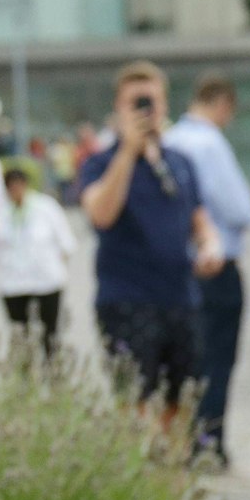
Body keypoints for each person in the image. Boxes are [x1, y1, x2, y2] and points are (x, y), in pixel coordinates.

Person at [76, 61, 225, 427]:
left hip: (180, 298)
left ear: (165, 106)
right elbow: (100, 214)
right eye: (136, 103)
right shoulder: (100, 163)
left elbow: (199, 220)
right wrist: (128, 151)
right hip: (127, 300)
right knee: (135, 404)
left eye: (151, 102)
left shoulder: (180, 162)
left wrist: (210, 246)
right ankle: (143, 479)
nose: (146, 111)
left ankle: (173, 478)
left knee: (180, 403)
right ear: (118, 108)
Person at [163, 72, 250, 464]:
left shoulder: (169, 140)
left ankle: (182, 438)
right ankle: (208, 441)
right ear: (223, 105)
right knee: (216, 358)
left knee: (185, 360)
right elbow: (239, 209)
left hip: (177, 267)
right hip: (216, 264)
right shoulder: (208, 143)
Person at [0, 166, 75, 359]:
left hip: (45, 278)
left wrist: (58, 265)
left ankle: (51, 368)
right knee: (19, 330)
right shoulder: (1, 212)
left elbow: (66, 241)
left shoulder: (45, 206)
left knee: (49, 328)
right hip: (13, 281)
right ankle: (24, 369)